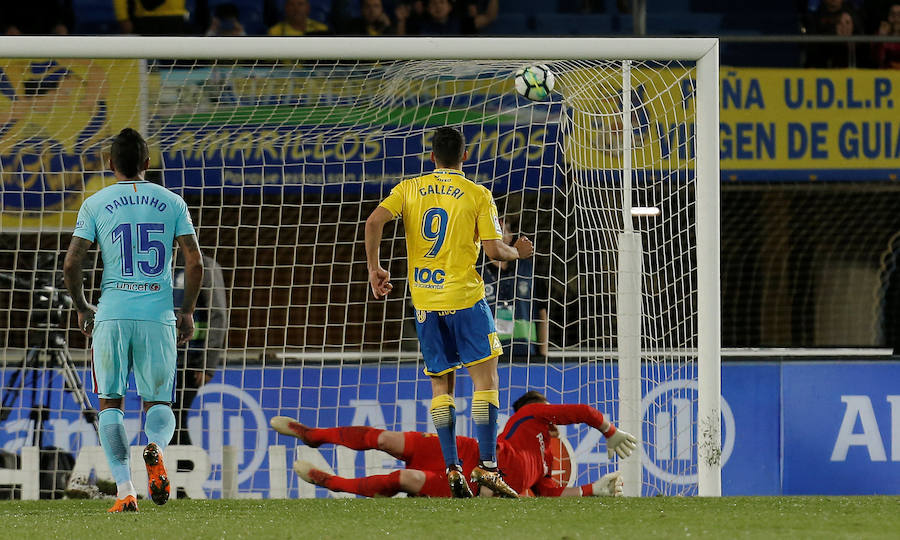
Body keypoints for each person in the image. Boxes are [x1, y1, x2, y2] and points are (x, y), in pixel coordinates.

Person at [365, 126, 534, 498]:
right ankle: (488, 467)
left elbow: (373, 221)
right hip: (465, 300)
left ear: (431, 157)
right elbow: (493, 251)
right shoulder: (477, 194)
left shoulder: (409, 188)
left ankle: (452, 467)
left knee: (441, 386)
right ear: (465, 156)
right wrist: (516, 252)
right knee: (484, 382)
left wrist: (374, 268)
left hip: (425, 302)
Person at [63, 128, 203, 513]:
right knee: (158, 401)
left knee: (111, 403)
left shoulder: (95, 203)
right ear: (147, 163)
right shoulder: (172, 202)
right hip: (157, 316)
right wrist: (187, 310)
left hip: (112, 315)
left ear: (110, 164)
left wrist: (81, 305)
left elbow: (72, 261)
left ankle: (125, 491)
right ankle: (155, 448)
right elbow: (194, 261)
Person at [269, 390, 635, 498]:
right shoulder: (528, 419)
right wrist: (609, 430)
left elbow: (550, 494)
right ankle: (314, 435)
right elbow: (586, 410)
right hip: (468, 452)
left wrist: (590, 490)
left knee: (406, 479)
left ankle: (328, 481)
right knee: (385, 439)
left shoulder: (543, 463)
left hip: (477, 482)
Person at [172, 252, 227, 448]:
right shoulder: (158, 267)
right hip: (162, 360)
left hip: (191, 361)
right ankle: (180, 469)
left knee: (174, 418)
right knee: (164, 419)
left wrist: (207, 363)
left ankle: (186, 469)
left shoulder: (206, 267)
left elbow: (218, 315)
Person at [480, 217, 548, 358]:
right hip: (487, 354)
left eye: (503, 229)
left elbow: (542, 313)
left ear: (511, 236)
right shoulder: (476, 271)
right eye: (494, 229)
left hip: (526, 353)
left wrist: (543, 353)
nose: (499, 234)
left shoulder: (529, 270)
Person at [113, 0, 189, 35]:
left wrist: (123, 18)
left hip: (174, 19)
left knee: (173, 60)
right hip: (146, 20)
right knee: (148, 62)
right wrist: (123, 18)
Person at [875, 2, 900, 68]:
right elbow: (879, 60)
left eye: (899, 14)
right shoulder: (881, 34)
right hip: (887, 74)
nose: (896, 18)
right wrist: (881, 38)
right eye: (893, 14)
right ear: (888, 17)